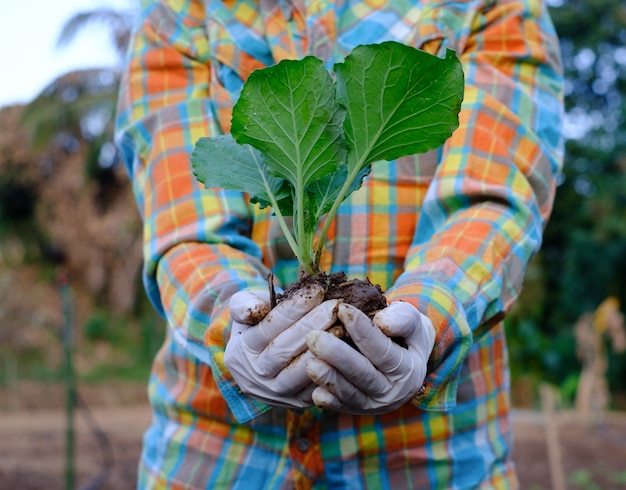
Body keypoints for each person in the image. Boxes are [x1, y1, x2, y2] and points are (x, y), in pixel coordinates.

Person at [115, 0, 563, 487]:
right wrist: (229, 324)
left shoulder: (489, 7)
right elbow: (187, 226)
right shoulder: (180, 13)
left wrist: (429, 320)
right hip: (216, 456)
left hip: (427, 459)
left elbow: (489, 198)